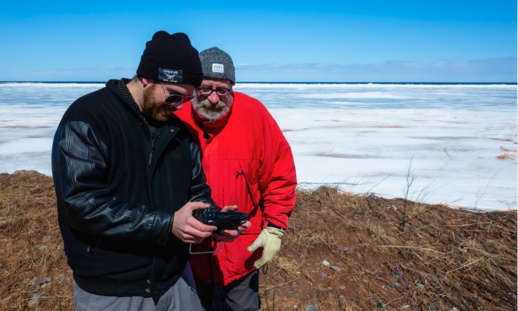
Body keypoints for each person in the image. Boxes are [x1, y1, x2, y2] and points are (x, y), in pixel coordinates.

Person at [51, 31, 249, 311]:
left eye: (187, 98)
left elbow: (195, 189)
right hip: (112, 290)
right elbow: (82, 204)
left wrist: (211, 218)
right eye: (174, 96)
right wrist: (168, 224)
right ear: (147, 77)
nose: (179, 106)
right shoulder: (89, 118)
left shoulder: (179, 132)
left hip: (176, 281)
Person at [175, 47, 297, 310]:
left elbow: (280, 173)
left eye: (223, 89)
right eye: (206, 88)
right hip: (186, 249)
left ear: (232, 87)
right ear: (194, 86)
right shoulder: (175, 116)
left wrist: (275, 226)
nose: (215, 98)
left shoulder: (254, 114)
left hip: (242, 248)